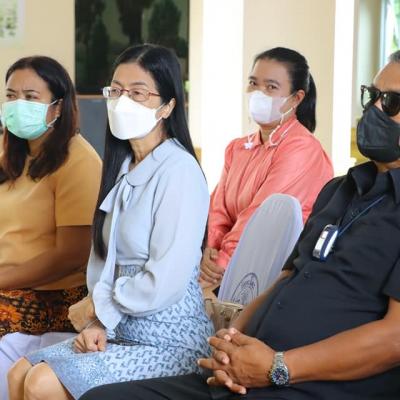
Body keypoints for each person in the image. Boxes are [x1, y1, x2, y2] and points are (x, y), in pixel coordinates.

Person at [79, 51, 400, 400]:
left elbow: (394, 338)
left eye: (391, 102)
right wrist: (230, 343)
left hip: (309, 380)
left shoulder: (298, 152)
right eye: (372, 96)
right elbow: (287, 276)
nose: (375, 110)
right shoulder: (340, 190)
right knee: (101, 397)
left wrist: (278, 366)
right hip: (252, 364)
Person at [8, 44, 213, 400]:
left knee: (41, 383)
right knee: (19, 372)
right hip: (118, 328)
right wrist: (97, 319)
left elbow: (165, 280)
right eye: (116, 91)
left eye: (138, 93)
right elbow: (103, 260)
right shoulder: (123, 168)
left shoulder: (179, 171)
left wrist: (99, 310)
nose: (122, 102)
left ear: (168, 106)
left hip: (167, 340)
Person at [0, 56, 102, 399]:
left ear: (58, 106)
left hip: (54, 296)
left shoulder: (78, 159)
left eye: (31, 97)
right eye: (11, 95)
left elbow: (71, 255)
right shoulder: (11, 154)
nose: (18, 105)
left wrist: (3, 279)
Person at [200, 47, 333, 288]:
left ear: (296, 98)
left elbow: (259, 217)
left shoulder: (301, 148)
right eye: (253, 83)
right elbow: (218, 209)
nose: (258, 93)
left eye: (271, 87)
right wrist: (210, 248)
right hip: (225, 266)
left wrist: (220, 266)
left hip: (273, 273)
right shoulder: (238, 148)